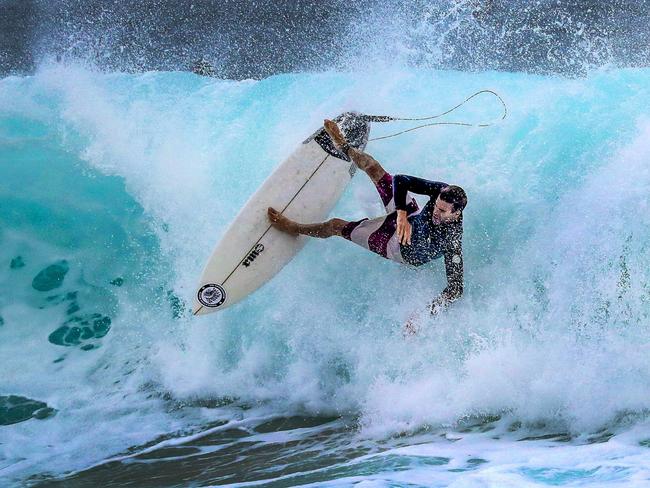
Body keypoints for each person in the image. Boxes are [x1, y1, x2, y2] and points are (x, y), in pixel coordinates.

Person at [268, 119, 466, 333]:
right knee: (374, 168)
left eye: (443, 211)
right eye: (436, 206)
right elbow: (401, 180)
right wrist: (401, 215)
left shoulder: (452, 239)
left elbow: (456, 290)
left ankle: (294, 228)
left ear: (456, 213)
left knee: (336, 226)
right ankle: (343, 146)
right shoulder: (441, 191)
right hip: (409, 217)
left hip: (397, 247)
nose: (437, 212)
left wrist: (424, 317)